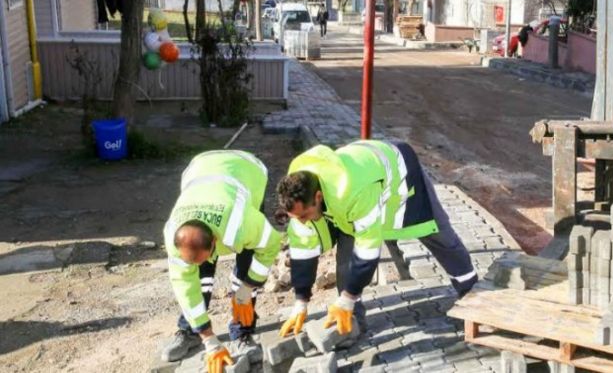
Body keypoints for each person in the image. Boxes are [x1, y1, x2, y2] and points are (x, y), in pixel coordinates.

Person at [276, 140, 477, 338]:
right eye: (296, 218)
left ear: (318, 197)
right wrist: (300, 301)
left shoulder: (351, 192)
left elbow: (367, 252)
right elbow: (303, 249)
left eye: (304, 216)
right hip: (361, 185)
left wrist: (347, 297)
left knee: (437, 234)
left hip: (401, 173)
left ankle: (472, 294)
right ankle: (350, 322)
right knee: (346, 253)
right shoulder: (300, 193)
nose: (302, 222)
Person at [161, 150, 281, 373]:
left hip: (247, 171)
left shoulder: (242, 223)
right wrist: (208, 339)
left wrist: (248, 286)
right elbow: (185, 288)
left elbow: (271, 244)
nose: (194, 265)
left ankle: (242, 332)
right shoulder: (172, 235)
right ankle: (190, 332)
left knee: (245, 268)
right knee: (199, 278)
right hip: (200, 169)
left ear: (215, 241)